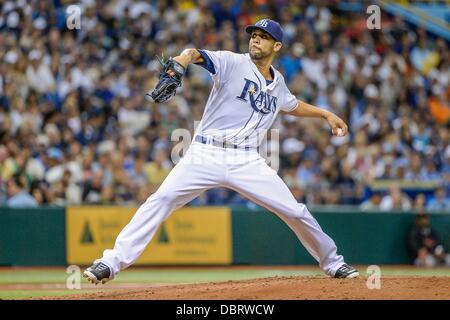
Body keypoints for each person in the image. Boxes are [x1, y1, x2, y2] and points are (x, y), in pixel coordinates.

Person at [83, 19, 359, 284]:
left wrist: (325, 114)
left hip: (247, 159)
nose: (256, 39)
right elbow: (194, 54)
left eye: (263, 37)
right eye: (254, 35)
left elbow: (292, 104)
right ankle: (112, 261)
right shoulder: (232, 62)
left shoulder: (278, 83)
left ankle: (333, 263)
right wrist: (181, 60)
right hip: (205, 152)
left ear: (277, 46)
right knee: (162, 198)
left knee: (295, 212)